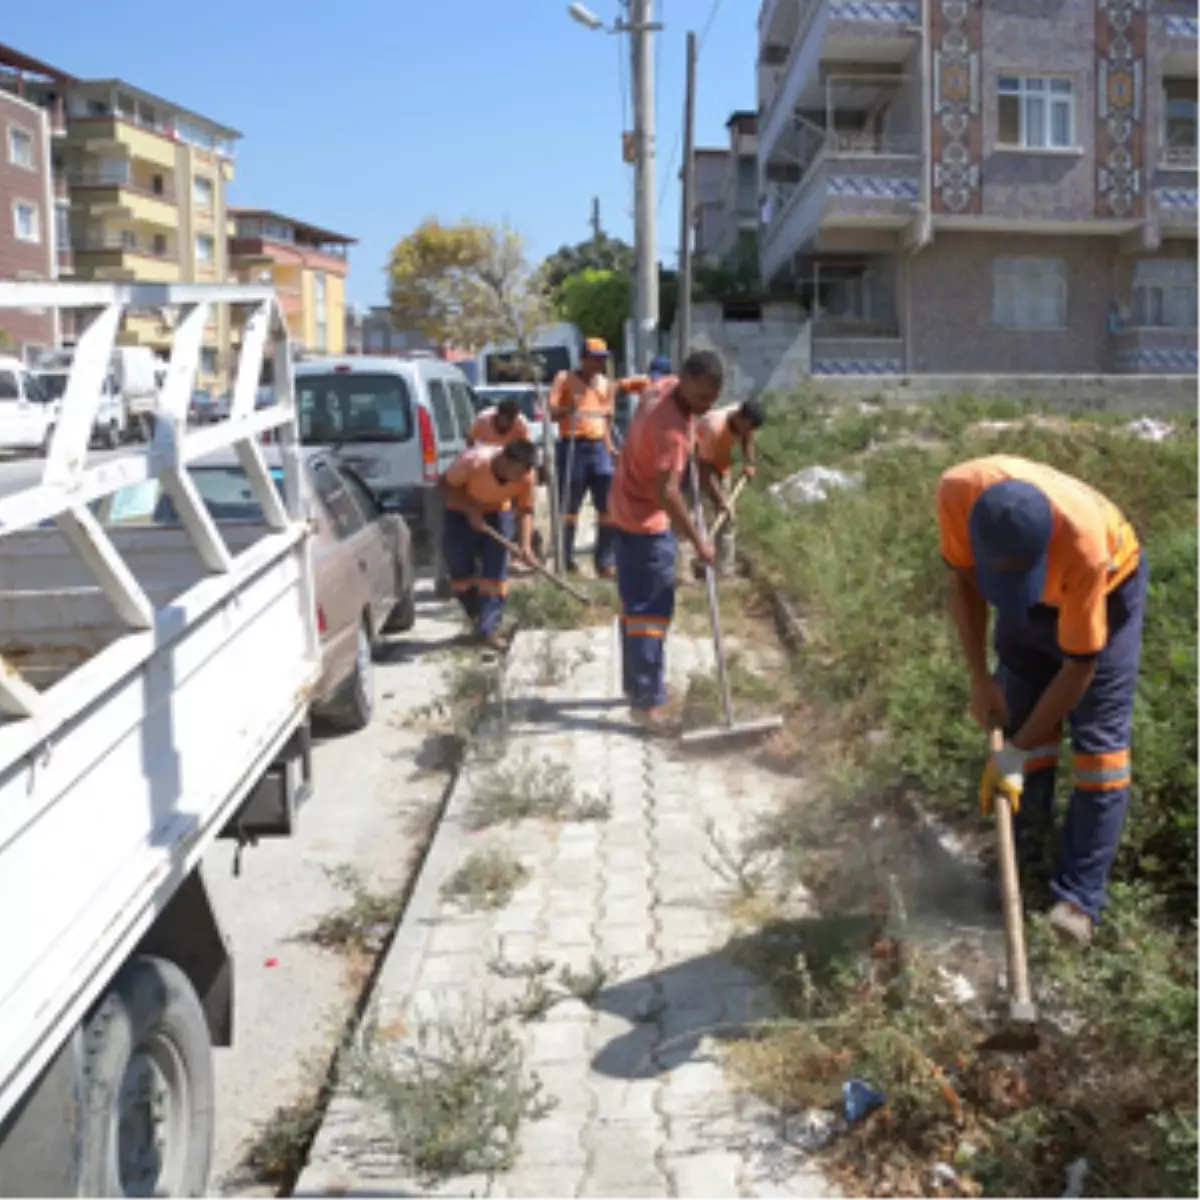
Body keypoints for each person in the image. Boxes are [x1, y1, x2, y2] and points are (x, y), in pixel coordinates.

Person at [936, 455, 1147, 945]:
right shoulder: (957, 493)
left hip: (1110, 589)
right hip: (1038, 578)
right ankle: (1023, 856)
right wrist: (978, 679)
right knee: (1019, 710)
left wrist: (1016, 753)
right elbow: (964, 581)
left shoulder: (1084, 549)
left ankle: (1079, 898)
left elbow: (1079, 668)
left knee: (1100, 750)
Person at [608, 350, 726, 731]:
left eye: (712, 400)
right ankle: (647, 705)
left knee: (634, 608)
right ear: (686, 380)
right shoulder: (671, 431)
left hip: (622, 507)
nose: (706, 406)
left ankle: (638, 688)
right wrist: (698, 542)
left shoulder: (660, 387)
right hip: (646, 520)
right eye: (702, 397)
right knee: (650, 612)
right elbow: (668, 494)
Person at [439, 439, 538, 651]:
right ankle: (477, 616)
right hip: (460, 510)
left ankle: (488, 629)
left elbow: (525, 511)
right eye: (519, 471)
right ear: (505, 461)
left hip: (497, 513)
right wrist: (468, 508)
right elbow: (444, 485)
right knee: (459, 568)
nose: (522, 477)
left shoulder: (526, 477)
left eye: (526, 472)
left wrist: (525, 546)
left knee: (495, 572)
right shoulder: (473, 462)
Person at [547, 337, 618, 577]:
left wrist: (610, 447)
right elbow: (551, 411)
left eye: (602, 360)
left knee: (608, 508)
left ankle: (605, 560)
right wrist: (569, 409)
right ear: (583, 358)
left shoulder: (605, 384)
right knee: (569, 508)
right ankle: (565, 560)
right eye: (594, 359)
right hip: (572, 447)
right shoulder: (564, 379)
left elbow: (607, 418)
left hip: (599, 448)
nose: (598, 364)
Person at [690, 397, 767, 578]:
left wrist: (750, 463)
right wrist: (720, 499)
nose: (749, 431)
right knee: (690, 517)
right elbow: (704, 468)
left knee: (727, 519)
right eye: (748, 427)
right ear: (741, 418)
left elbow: (748, 437)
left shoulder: (745, 420)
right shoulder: (714, 426)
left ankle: (723, 571)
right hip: (694, 464)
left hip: (719, 463)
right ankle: (685, 573)